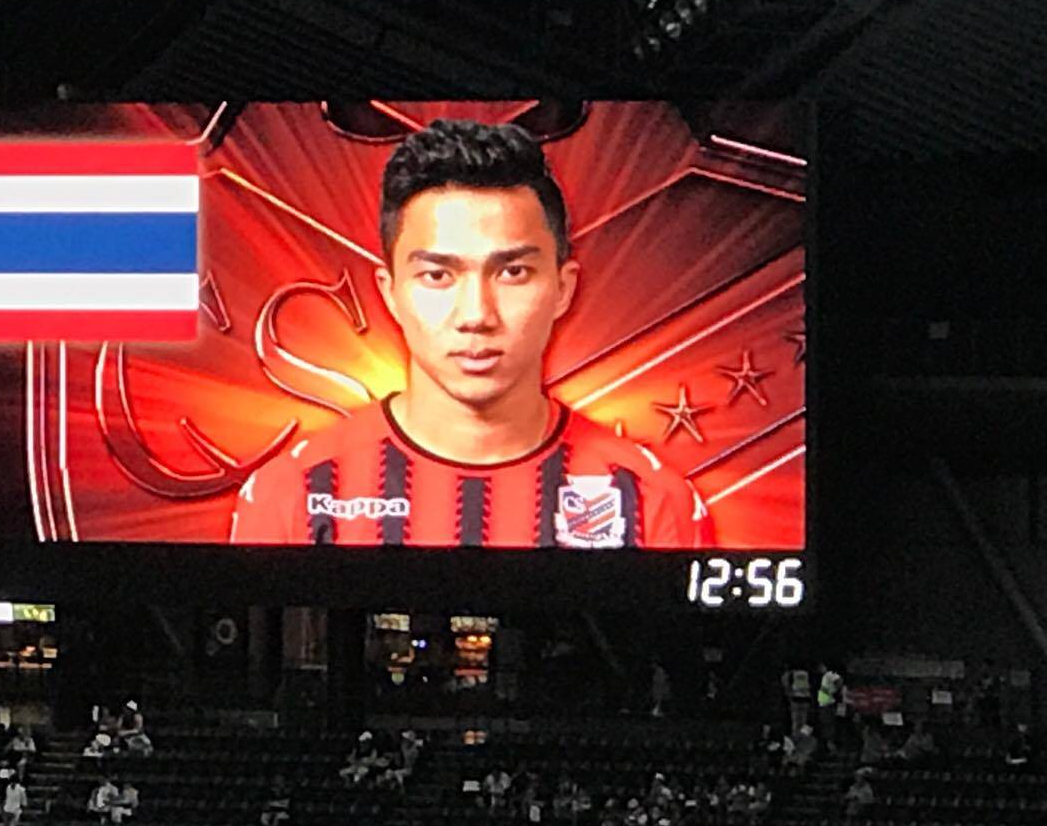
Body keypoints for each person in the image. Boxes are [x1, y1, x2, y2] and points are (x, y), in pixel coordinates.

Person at [230, 119, 710, 548]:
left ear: (563, 289)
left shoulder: (651, 500)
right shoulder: (293, 492)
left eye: (513, 272)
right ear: (391, 293)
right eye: (438, 275)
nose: (477, 315)